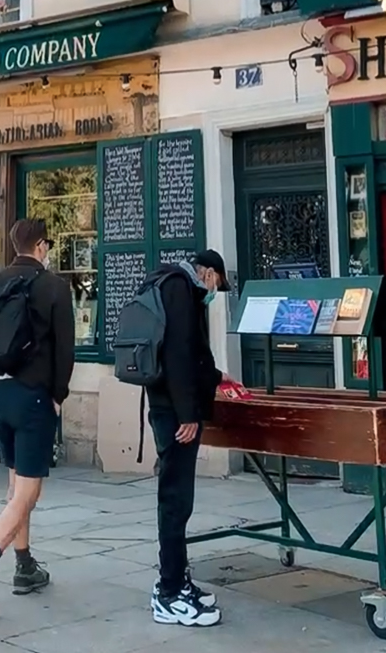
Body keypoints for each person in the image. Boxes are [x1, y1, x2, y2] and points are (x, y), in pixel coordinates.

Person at [0, 217, 75, 620]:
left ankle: (24, 565)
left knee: (15, 483)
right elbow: (65, 350)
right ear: (41, 246)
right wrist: (58, 395)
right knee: (29, 492)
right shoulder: (54, 287)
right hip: (34, 397)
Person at [147, 249, 230, 628]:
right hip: (173, 413)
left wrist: (217, 378)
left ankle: (179, 580)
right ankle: (168, 593)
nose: (214, 292)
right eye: (216, 284)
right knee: (176, 500)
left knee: (178, 500)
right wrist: (188, 414)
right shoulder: (180, 289)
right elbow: (179, 355)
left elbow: (195, 355)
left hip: (166, 405)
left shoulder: (171, 284)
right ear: (208, 273)